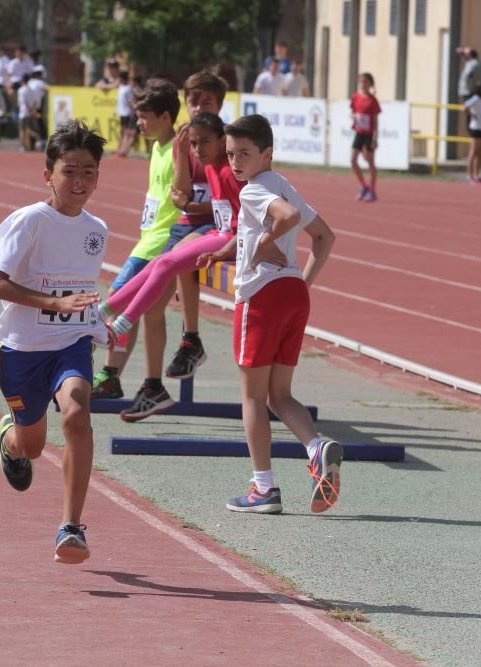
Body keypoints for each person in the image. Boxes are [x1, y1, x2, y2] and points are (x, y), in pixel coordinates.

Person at [0, 119, 109, 565]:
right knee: (31, 446)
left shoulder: (97, 230)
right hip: (20, 351)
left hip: (70, 346)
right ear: (48, 174)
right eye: (70, 171)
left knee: (76, 414)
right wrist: (53, 303)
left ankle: (70, 527)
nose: (79, 181)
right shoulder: (28, 222)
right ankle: (8, 440)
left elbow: (81, 293)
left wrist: (97, 320)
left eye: (88, 172)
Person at [199, 113, 340, 515]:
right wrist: (300, 282)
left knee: (253, 397)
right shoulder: (284, 186)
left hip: (259, 299)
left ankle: (264, 489)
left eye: (244, 153)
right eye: (230, 155)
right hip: (292, 294)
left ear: (267, 153)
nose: (235, 162)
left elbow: (287, 220)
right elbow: (324, 237)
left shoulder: (253, 191)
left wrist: (263, 244)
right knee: (281, 396)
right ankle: (317, 446)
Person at [114, 70, 229, 421]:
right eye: (193, 101)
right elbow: (179, 195)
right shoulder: (185, 140)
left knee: (177, 261)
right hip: (185, 226)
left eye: (205, 101)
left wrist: (195, 206)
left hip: (215, 227)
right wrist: (182, 157)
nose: (197, 107)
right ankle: (153, 387)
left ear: (219, 105)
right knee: (152, 304)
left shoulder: (226, 142)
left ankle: (190, 339)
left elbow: (230, 199)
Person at [102, 112, 239, 355]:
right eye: (194, 144)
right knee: (158, 262)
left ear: (222, 140)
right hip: (221, 233)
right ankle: (101, 312)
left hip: (230, 238)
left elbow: (249, 217)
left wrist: (228, 247)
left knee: (164, 263)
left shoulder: (228, 171)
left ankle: (121, 322)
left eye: (205, 142)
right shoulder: (211, 167)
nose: (198, 150)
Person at [90, 78, 179, 403]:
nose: (139, 123)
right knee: (151, 312)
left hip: (160, 245)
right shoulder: (157, 147)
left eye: (145, 116)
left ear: (166, 116)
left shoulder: (177, 152)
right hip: (151, 239)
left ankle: (111, 376)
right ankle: (150, 382)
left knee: (117, 298)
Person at [350, 72, 380, 201]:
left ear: (370, 84)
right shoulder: (355, 97)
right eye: (361, 81)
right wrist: (353, 116)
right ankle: (363, 186)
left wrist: (374, 138)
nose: (363, 84)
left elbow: (375, 121)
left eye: (365, 82)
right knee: (352, 160)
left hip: (369, 135)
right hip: (359, 132)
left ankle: (372, 191)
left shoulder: (372, 101)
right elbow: (353, 111)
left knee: (370, 161)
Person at [464, 80, 481, 185]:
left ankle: (476, 175)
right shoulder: (475, 98)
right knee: (473, 152)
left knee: (479, 153)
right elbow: (464, 107)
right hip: (474, 127)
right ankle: (469, 175)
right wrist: (471, 115)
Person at [114, 70, 137, 157]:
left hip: (127, 112)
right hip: (121, 112)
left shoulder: (128, 88)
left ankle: (124, 150)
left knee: (127, 132)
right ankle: (119, 148)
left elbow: (130, 100)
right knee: (122, 131)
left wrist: (133, 110)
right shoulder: (121, 87)